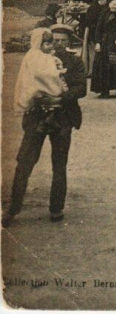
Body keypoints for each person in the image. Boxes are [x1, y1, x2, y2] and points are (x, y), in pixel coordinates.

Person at [3, 25, 87, 227]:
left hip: (63, 115)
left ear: (69, 42)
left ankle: (56, 207)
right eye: (54, 40)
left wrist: (60, 97)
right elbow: (26, 84)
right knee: (25, 160)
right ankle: (12, 208)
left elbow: (81, 88)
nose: (57, 44)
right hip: (37, 115)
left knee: (59, 162)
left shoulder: (75, 61)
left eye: (62, 41)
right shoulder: (34, 59)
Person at [91, 0, 116, 98]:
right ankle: (105, 91)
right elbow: (98, 30)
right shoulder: (103, 14)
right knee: (104, 66)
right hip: (105, 43)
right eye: (114, 4)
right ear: (109, 4)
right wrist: (97, 43)